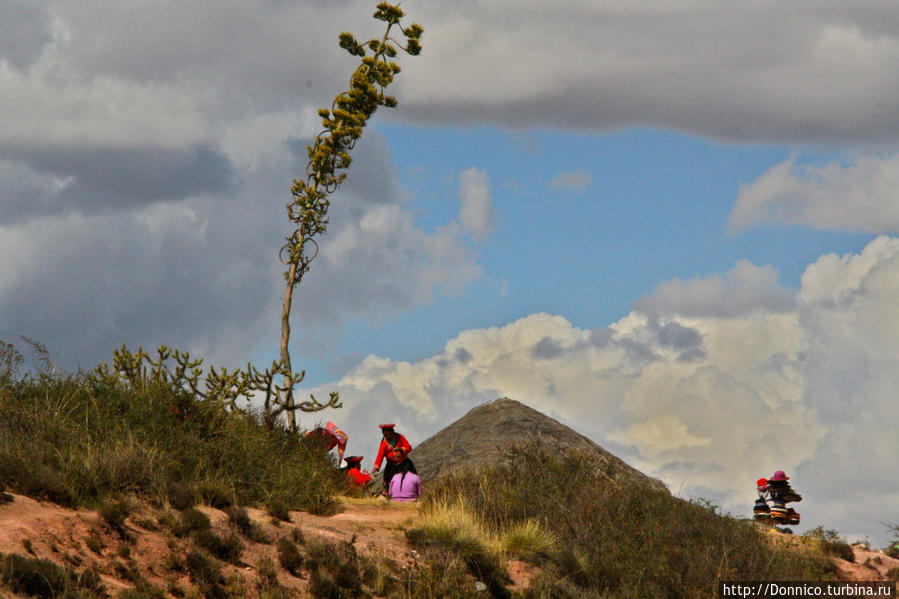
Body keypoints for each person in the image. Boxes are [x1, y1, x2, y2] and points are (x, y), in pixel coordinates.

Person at [372, 423, 416, 494]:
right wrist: (375, 469)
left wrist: (401, 449)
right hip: (391, 466)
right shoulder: (384, 444)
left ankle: (410, 493)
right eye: (385, 435)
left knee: (410, 477)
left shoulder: (400, 437)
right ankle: (390, 494)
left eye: (389, 434)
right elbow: (379, 457)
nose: (388, 436)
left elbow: (408, 447)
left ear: (393, 431)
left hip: (404, 463)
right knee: (389, 480)